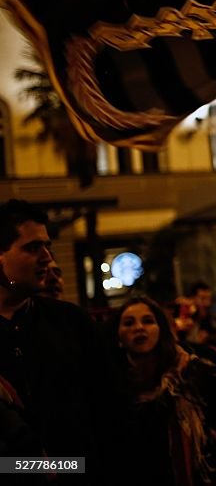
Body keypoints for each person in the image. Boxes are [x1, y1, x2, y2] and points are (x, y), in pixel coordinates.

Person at [0, 199, 113, 484]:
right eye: (32, 248)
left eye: (46, 246)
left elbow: (111, 410)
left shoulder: (71, 322)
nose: (47, 258)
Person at [112, 296, 216, 486]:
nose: (139, 328)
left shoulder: (195, 372)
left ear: (161, 330)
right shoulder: (115, 388)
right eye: (129, 323)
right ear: (119, 338)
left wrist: (207, 456)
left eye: (148, 321)